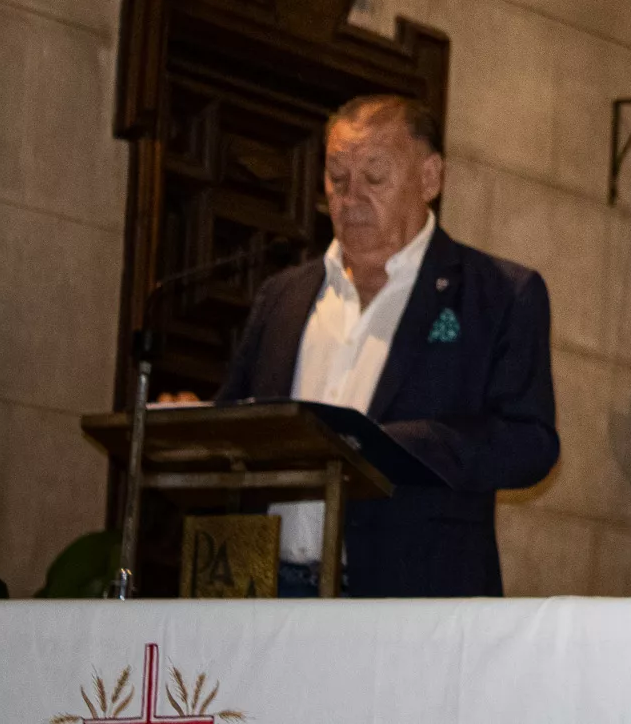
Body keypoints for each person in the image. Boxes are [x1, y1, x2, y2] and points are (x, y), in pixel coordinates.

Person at [214, 94, 559, 596]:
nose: (350, 197)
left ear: (430, 178)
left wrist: (382, 446)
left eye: (374, 177)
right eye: (336, 176)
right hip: (266, 592)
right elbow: (237, 425)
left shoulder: (498, 294)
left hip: (409, 595)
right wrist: (197, 426)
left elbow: (531, 445)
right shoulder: (282, 296)